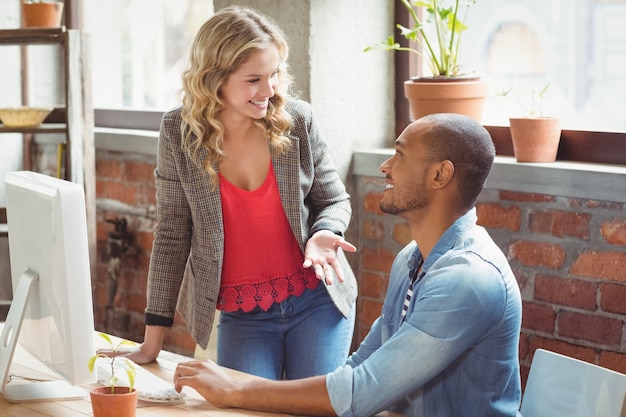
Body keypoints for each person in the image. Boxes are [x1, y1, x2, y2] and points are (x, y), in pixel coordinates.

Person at [172, 113, 523, 417]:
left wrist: (236, 390)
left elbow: (361, 393)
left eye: (399, 155)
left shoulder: (468, 279)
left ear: (440, 175)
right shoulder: (411, 260)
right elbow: (357, 369)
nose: (385, 167)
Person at [121, 6, 358, 380]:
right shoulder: (178, 134)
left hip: (318, 302)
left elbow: (333, 200)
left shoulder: (297, 121)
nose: (269, 90)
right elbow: (171, 235)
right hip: (244, 316)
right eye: (253, 80)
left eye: (274, 74)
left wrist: (325, 232)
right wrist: (152, 343)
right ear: (215, 79)